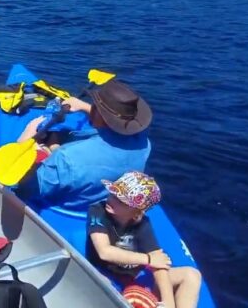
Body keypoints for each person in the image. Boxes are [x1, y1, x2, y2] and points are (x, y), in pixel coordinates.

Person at [14, 80, 153, 211]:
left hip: (67, 208)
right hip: (103, 201)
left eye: (95, 106)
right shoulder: (143, 143)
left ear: (99, 114)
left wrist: (24, 140)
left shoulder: (66, 158)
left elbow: (24, 188)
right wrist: (85, 107)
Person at [87, 171, 201, 308]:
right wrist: (148, 259)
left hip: (134, 280)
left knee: (191, 275)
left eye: (120, 200)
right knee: (106, 286)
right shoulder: (98, 211)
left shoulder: (142, 224)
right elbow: (104, 252)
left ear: (136, 212)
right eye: (112, 194)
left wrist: (167, 302)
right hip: (107, 277)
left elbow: (159, 263)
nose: (111, 200)